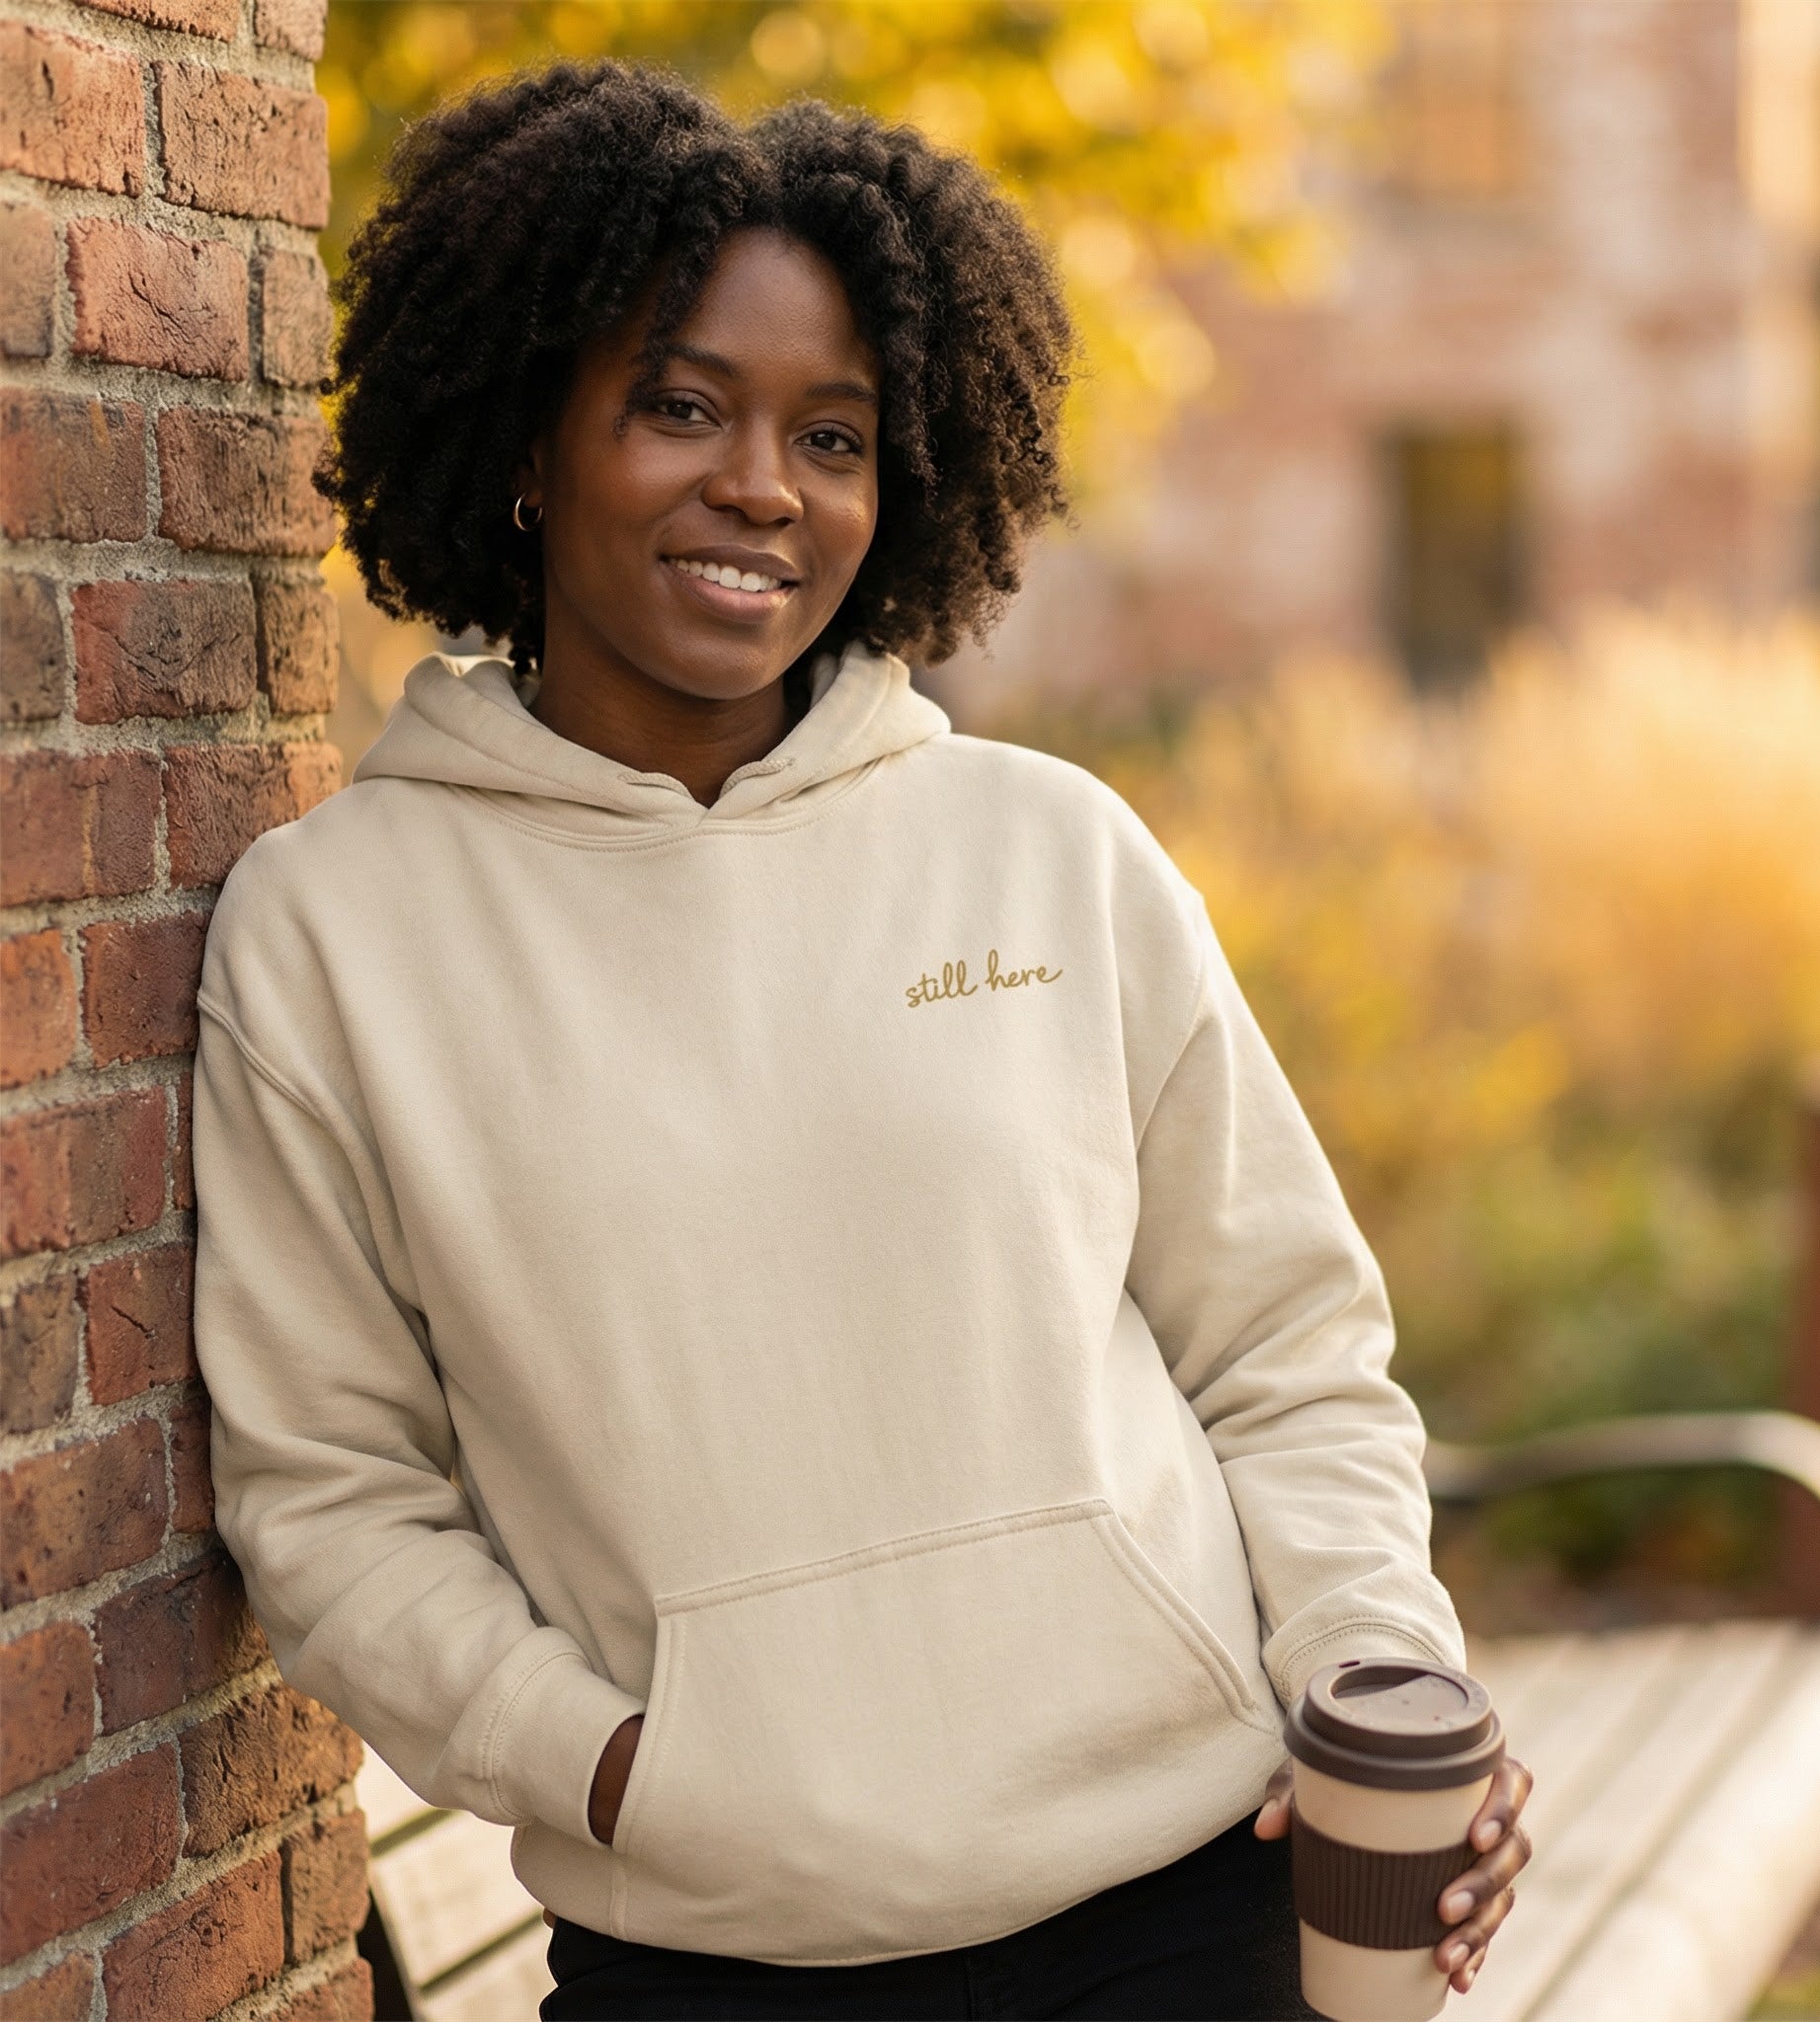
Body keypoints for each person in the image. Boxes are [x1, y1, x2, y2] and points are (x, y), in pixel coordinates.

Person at [190, 57, 1533, 2022]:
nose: (764, 484)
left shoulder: (1045, 848)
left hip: (1187, 1913)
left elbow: (1281, 1347)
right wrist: (618, 1766)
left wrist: (1370, 1671)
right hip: (720, 1965)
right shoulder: (336, 940)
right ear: (528, 435)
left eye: (833, 432)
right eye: (680, 404)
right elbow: (328, 1495)